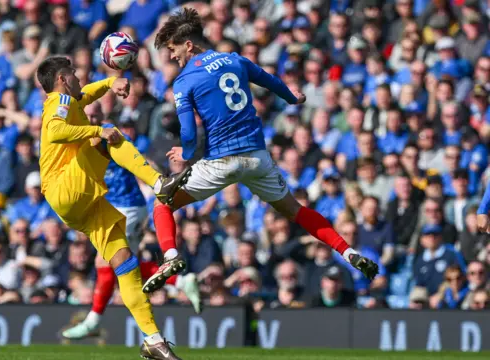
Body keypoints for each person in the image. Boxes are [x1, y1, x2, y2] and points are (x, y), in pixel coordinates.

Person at [145, 8, 379, 294]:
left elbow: (189, 133)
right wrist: (292, 98)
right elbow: (270, 81)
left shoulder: (184, 81)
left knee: (162, 202)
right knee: (296, 210)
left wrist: (187, 152)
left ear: (189, 45)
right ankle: (347, 252)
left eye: (173, 49)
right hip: (257, 157)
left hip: (221, 159)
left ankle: (170, 257)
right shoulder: (235, 60)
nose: (171, 56)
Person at [36, 55, 188, 359]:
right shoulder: (59, 100)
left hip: (81, 205)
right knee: (107, 133)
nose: (79, 77)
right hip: (63, 188)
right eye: (74, 73)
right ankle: (158, 183)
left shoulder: (72, 99)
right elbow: (54, 131)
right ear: (62, 79)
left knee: (125, 264)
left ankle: (153, 340)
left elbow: (90, 92)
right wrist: (96, 132)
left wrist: (110, 82)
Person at [62, 104, 201, 340]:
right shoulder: (83, 138)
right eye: (90, 115)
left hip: (126, 207)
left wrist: (159, 183)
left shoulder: (110, 136)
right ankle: (181, 281)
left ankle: (94, 319)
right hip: (113, 207)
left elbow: (141, 162)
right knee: (125, 267)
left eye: (96, 115)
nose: (93, 118)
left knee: (105, 262)